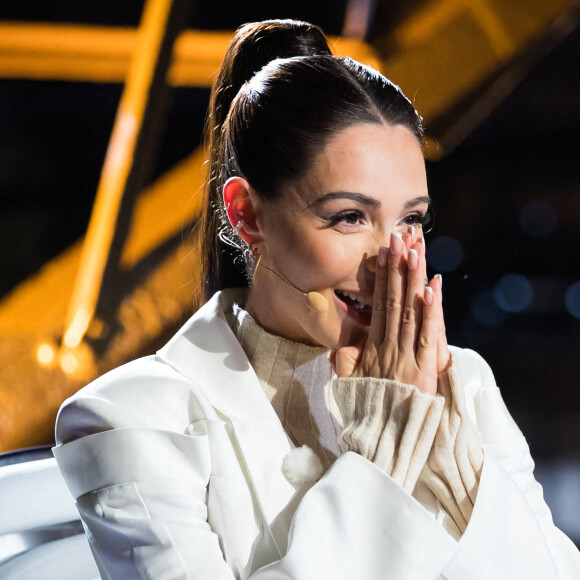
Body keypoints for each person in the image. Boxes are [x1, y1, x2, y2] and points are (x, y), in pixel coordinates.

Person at [53, 19, 580, 579]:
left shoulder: (461, 388)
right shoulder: (130, 418)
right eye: (350, 217)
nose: (389, 259)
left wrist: (455, 468)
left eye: (412, 220)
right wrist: (382, 463)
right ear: (247, 214)